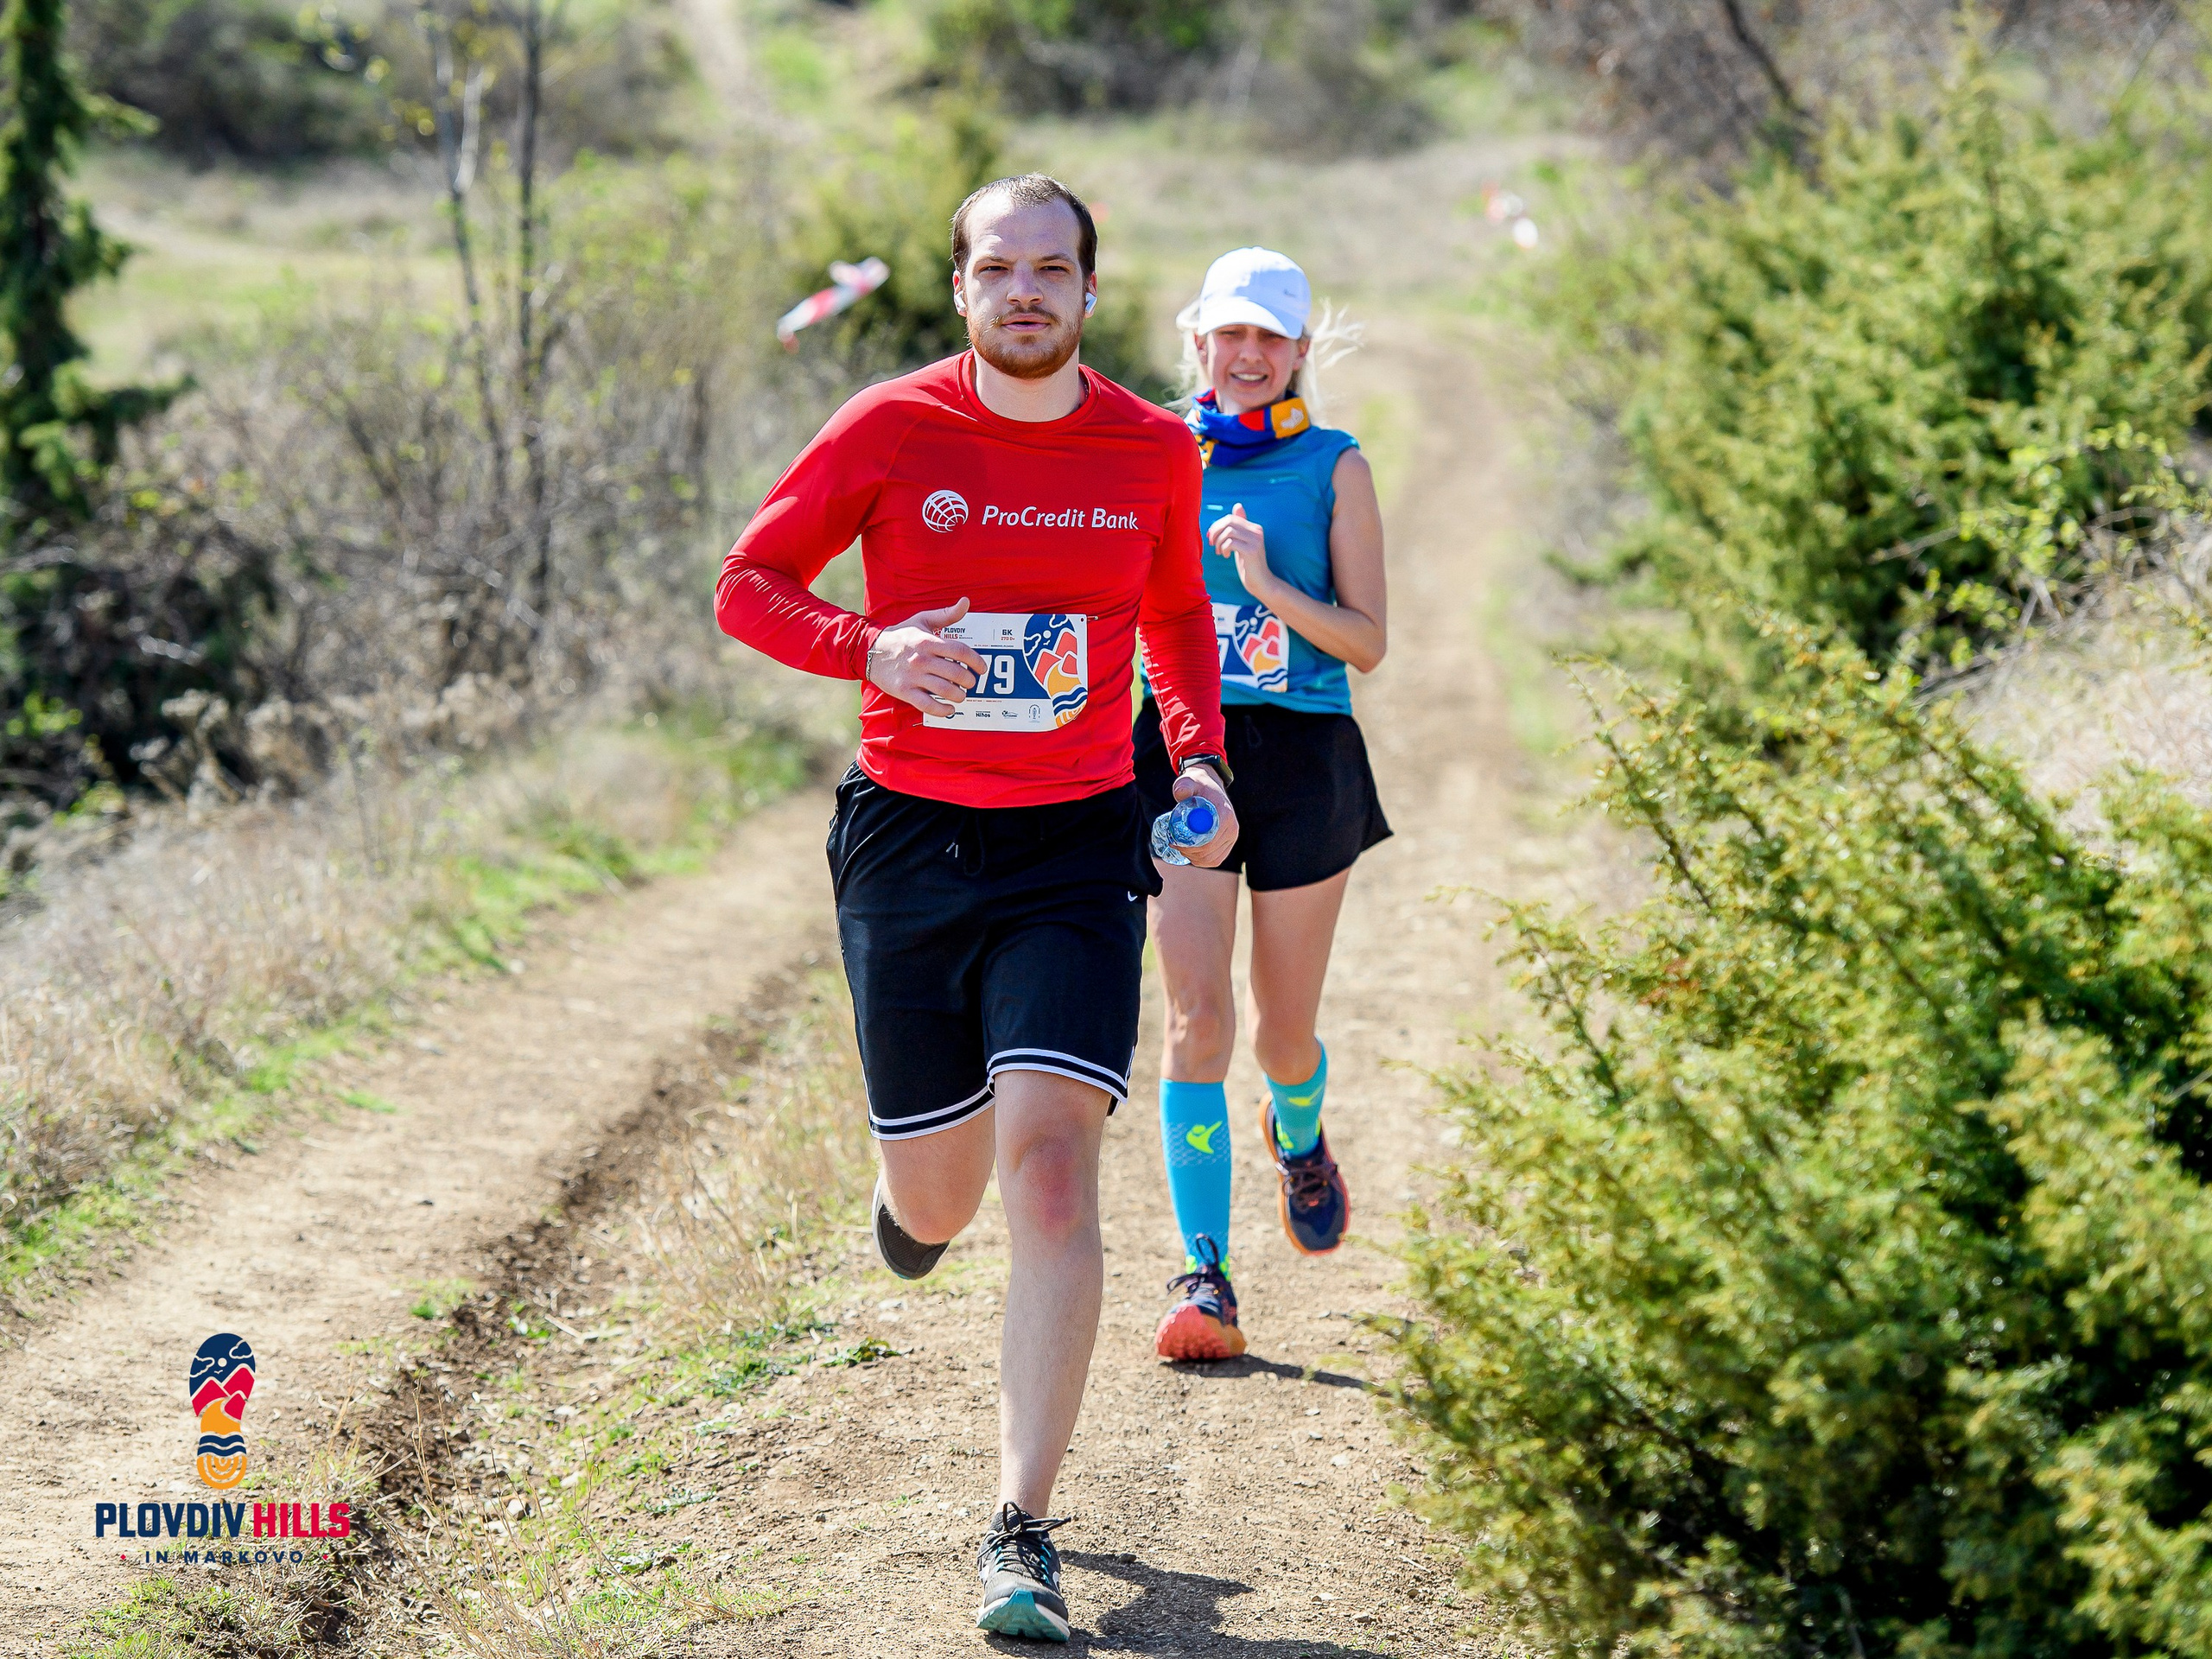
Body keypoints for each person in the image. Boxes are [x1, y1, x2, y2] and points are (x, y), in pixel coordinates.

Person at [715, 174, 1238, 1644]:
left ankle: (1020, 1528)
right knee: (939, 1196)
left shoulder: (1148, 445)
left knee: (1054, 1168)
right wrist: (870, 649)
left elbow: (1181, 621)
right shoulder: (890, 428)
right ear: (960, 290)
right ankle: (908, 1206)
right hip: (909, 844)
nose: (1025, 292)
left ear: (1088, 289)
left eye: (1052, 269)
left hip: (1077, 847)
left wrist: (1194, 755)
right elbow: (748, 585)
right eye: (996, 268)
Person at [1132, 247, 1390, 1363]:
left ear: (1296, 352)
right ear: (1199, 342)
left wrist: (1273, 590)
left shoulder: (1335, 465)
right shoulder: (1148, 453)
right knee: (1196, 1019)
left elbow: (1368, 644)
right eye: (1228, 335)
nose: (1246, 355)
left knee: (1281, 1031)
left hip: (1303, 756)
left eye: (1268, 338)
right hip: (1180, 754)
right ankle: (1206, 1275)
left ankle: (1300, 1129)